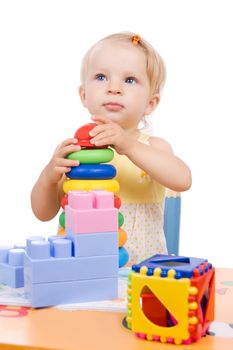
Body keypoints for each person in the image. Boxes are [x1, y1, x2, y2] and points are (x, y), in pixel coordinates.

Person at [31, 32, 192, 263]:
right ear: (84, 95)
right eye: (101, 77)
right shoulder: (75, 150)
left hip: (140, 272)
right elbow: (42, 213)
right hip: (81, 269)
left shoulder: (152, 147)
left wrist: (127, 145)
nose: (114, 88)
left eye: (129, 80)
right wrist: (48, 176)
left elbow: (183, 179)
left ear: (150, 103)